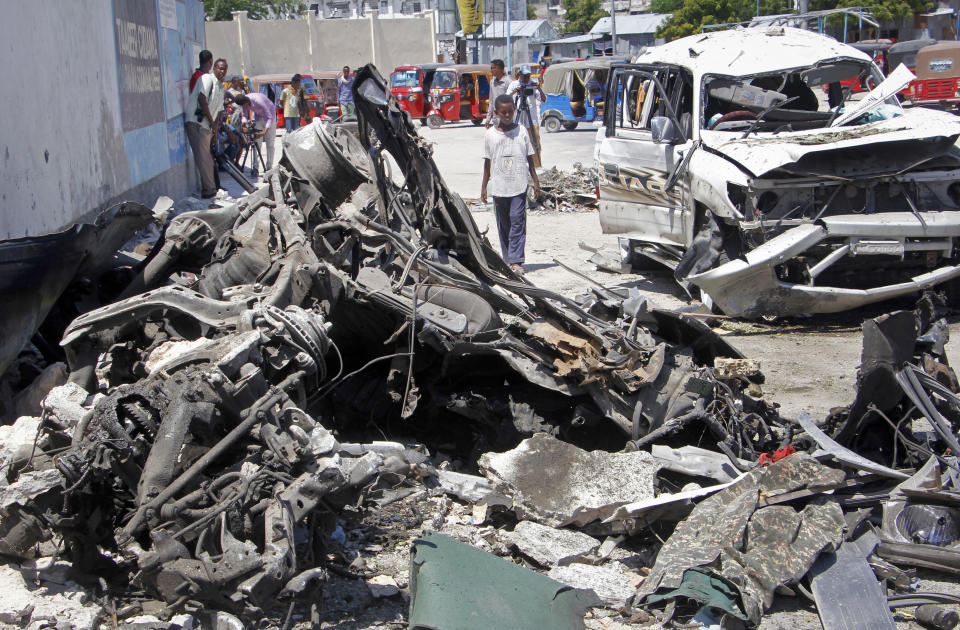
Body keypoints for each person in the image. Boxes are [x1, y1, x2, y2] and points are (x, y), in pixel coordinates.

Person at [480, 94, 540, 274]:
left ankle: (516, 261)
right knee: (504, 224)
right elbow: (487, 162)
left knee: (517, 222)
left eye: (510, 112)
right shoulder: (490, 135)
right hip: (499, 188)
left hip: (519, 186)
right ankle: (508, 259)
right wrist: (484, 186)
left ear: (514, 111)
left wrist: (535, 182)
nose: (507, 115)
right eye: (503, 112)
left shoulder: (521, 131)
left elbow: (530, 158)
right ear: (496, 113)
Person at [185, 58, 228, 198]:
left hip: (206, 126)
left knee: (208, 158)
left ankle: (210, 188)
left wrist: (214, 131)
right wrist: (210, 121)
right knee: (204, 158)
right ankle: (209, 190)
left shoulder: (221, 87)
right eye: (220, 68)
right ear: (214, 68)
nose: (222, 71)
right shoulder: (207, 79)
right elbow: (202, 100)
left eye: (224, 69)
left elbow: (219, 112)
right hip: (197, 123)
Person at [507, 67, 545, 167]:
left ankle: (537, 166)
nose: (526, 78)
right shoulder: (514, 84)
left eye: (528, 76)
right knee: (515, 143)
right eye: (524, 76)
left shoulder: (532, 84)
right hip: (518, 120)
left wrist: (539, 88)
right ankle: (516, 165)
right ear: (519, 75)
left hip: (531, 119)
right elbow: (506, 98)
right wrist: (515, 91)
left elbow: (544, 99)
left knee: (535, 142)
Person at [233, 93, 277, 175]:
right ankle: (255, 167)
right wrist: (243, 125)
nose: (244, 107)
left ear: (246, 101)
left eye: (243, 105)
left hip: (270, 116)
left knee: (270, 143)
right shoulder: (244, 103)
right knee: (256, 143)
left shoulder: (258, 101)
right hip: (258, 117)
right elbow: (245, 115)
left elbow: (269, 117)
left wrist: (264, 131)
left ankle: (269, 167)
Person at [485, 59, 508, 128]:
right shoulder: (492, 82)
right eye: (491, 68)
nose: (492, 70)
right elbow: (491, 101)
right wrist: (488, 118)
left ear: (501, 69)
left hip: (506, 117)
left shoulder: (508, 82)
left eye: (494, 68)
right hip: (496, 117)